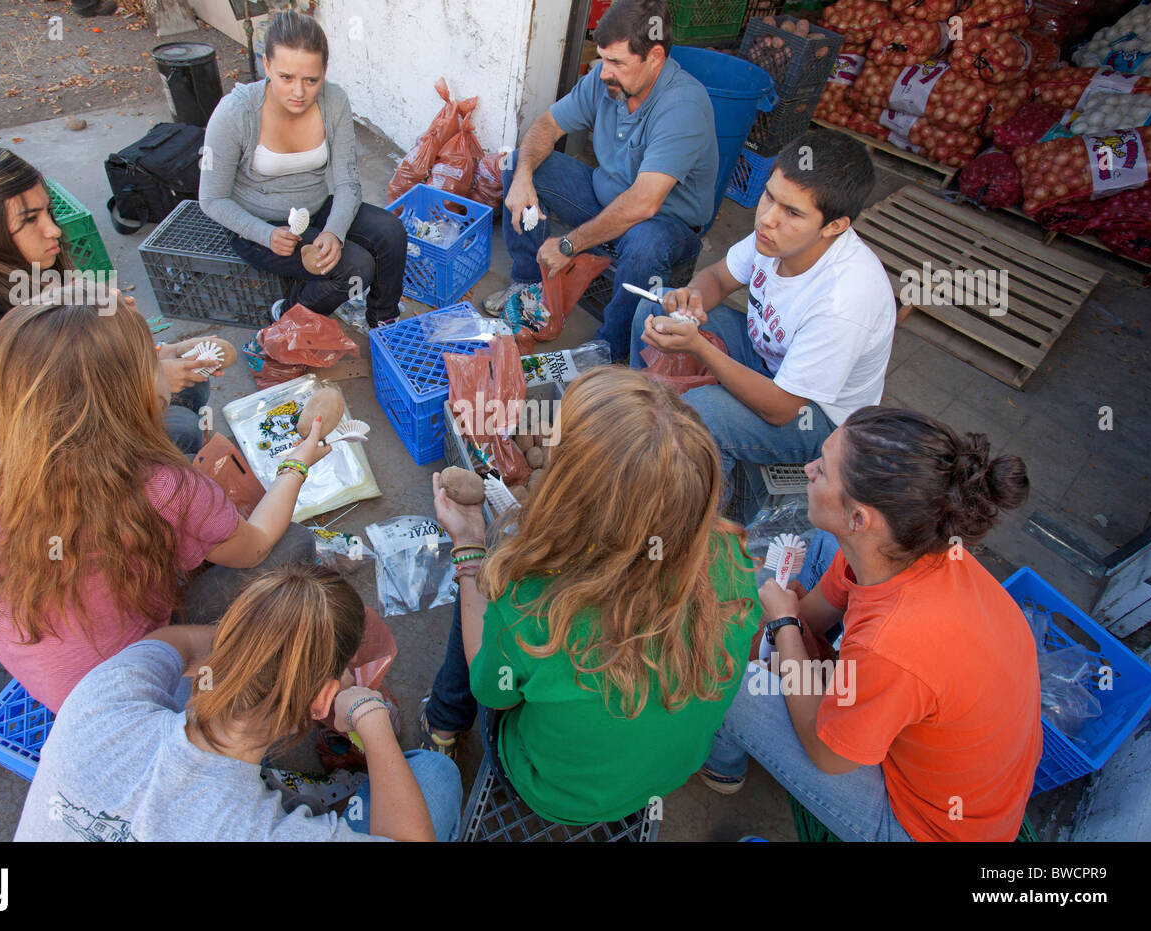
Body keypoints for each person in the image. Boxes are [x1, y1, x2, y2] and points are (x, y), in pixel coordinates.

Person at [419, 367, 761, 825]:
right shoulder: (731, 557)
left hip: (556, 794)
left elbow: (492, 692)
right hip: (669, 772)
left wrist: (469, 548)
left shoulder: (531, 598)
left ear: (570, 492)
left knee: (480, 590)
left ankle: (443, 724)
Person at [0, 286, 325, 712]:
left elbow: (88, 384)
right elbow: (255, 547)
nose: (163, 358)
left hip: (41, 655)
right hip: (124, 693)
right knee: (293, 542)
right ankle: (253, 673)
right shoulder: (165, 487)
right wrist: (296, 466)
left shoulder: (13, 459)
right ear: (131, 387)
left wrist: (164, 354)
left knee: (181, 422)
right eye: (152, 355)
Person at [702, 407, 1041, 842]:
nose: (807, 471)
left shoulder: (893, 643)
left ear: (859, 518)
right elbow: (815, 617)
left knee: (731, 679)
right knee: (815, 557)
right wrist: (787, 629)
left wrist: (782, 626)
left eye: (821, 470)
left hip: (924, 826)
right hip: (953, 757)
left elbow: (828, 756)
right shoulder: (898, 547)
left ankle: (721, 763)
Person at [14, 563, 462, 841]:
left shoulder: (104, 696)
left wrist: (254, 652)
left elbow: (170, 644)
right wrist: (371, 715)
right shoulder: (253, 833)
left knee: (170, 684)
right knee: (435, 775)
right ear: (325, 698)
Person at [631, 129, 896, 521]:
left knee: (701, 414)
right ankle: (642, 426)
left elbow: (781, 409)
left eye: (792, 212)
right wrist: (690, 299)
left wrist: (699, 347)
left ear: (834, 226)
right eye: (769, 196)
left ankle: (691, 526)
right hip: (765, 357)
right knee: (653, 311)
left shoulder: (844, 300)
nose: (767, 219)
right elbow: (719, 278)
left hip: (814, 416)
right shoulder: (774, 238)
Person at [0, 142, 211, 458]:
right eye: (30, 219)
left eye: (48, 211)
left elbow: (70, 358)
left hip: (46, 406)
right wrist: (147, 382)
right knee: (179, 429)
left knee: (191, 385)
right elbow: (46, 418)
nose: (53, 230)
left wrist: (145, 353)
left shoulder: (11, 274)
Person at [487, 0, 718, 363]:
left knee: (644, 245)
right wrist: (523, 177)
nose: (604, 72)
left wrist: (568, 245)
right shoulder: (605, 80)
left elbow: (644, 203)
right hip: (602, 198)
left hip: (663, 226)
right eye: (603, 58)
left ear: (655, 56)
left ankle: (608, 351)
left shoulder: (683, 106)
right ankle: (531, 286)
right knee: (517, 162)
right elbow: (547, 126)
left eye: (617, 63)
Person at [200, 10, 407, 329]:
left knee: (390, 232)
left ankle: (382, 320)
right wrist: (265, 234)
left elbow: (348, 182)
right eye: (286, 78)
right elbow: (212, 199)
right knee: (355, 266)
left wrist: (334, 232)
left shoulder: (334, 101)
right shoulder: (237, 112)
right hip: (258, 223)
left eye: (311, 80)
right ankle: (288, 315)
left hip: (314, 207)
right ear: (266, 65)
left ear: (324, 71)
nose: (299, 92)